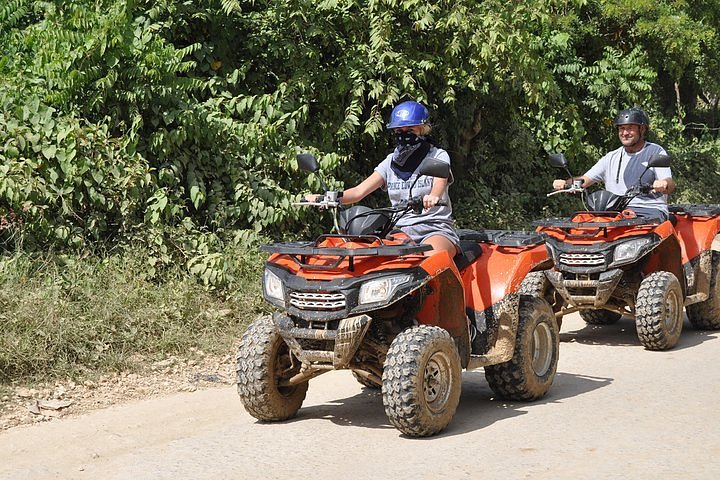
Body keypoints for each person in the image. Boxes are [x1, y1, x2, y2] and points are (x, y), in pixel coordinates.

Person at [307, 100, 460, 257]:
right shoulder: (390, 162)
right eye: (399, 130)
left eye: (410, 129)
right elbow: (359, 191)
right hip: (399, 231)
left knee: (433, 258)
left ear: (423, 129)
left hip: (434, 229)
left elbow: (439, 182)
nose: (404, 134)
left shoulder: (437, 155)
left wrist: (433, 196)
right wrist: (327, 198)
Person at [552, 107, 676, 220]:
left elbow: (669, 184)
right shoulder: (611, 157)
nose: (625, 133)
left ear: (641, 129)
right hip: (613, 213)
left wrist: (663, 184)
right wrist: (566, 183)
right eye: (622, 128)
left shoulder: (655, 152)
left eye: (630, 128)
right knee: (580, 225)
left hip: (649, 211)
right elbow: (585, 180)